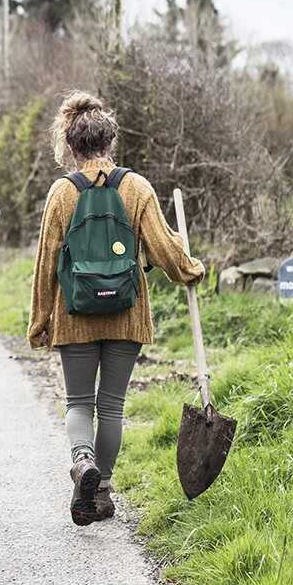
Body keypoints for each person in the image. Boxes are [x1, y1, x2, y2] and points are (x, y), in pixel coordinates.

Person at [27, 91, 204, 526]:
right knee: (112, 407)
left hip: (75, 312)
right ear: (110, 142)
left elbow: (47, 261)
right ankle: (101, 490)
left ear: (70, 147)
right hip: (127, 312)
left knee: (78, 404)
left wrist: (41, 321)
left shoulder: (62, 193)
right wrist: (190, 269)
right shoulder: (137, 186)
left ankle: (82, 460)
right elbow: (163, 250)